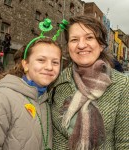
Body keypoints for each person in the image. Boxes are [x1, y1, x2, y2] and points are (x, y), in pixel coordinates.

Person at [49, 15, 129, 150]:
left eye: (89, 38)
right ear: (68, 46)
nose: (81, 45)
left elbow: (124, 143)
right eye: (74, 39)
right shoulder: (55, 81)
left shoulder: (122, 85)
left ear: (102, 45)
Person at [0, 37, 62, 150]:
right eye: (41, 60)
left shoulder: (45, 100)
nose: (49, 67)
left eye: (55, 62)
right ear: (25, 64)